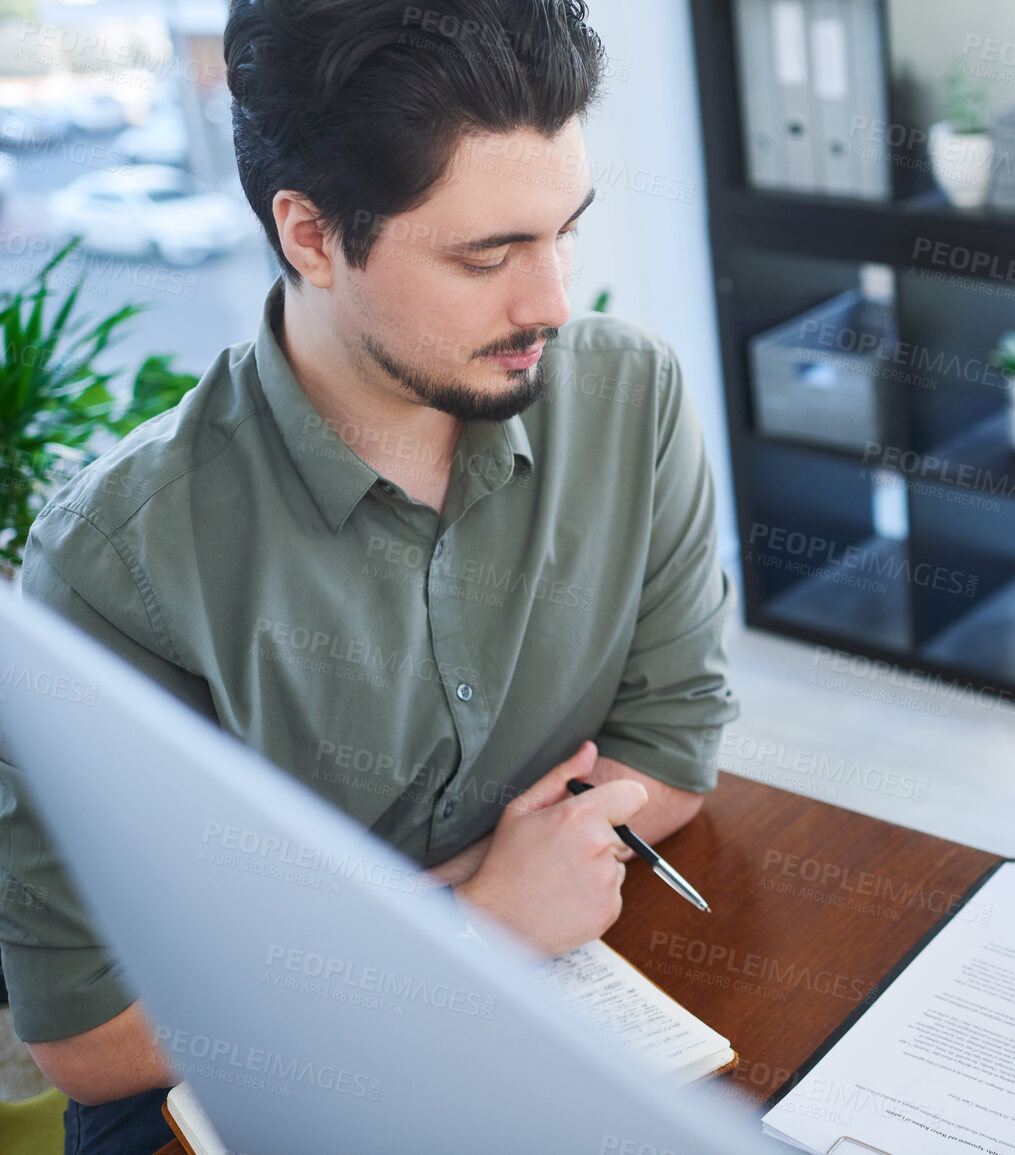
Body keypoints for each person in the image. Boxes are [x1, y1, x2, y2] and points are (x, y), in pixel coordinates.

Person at [0, 2, 737, 1151]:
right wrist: (478, 922)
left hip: (575, 1011)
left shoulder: (630, 398)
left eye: (564, 232)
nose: (549, 302)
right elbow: (92, 1040)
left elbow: (674, 748)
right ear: (310, 235)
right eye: (486, 256)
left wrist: (331, 940)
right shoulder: (118, 562)